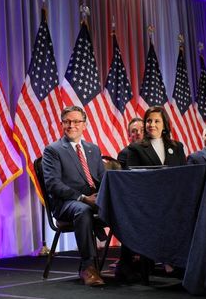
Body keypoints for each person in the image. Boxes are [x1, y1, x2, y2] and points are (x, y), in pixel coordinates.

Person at [116, 106, 187, 283]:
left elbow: (185, 175)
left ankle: (178, 262)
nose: (152, 124)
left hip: (174, 200)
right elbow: (134, 179)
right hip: (148, 202)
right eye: (149, 121)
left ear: (164, 125)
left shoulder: (177, 147)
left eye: (156, 121)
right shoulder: (136, 148)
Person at [42, 106, 106, 286]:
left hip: (95, 200)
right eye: (67, 121)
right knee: (83, 209)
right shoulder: (53, 150)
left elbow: (103, 179)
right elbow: (53, 184)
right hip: (67, 204)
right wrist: (83, 198)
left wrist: (103, 197)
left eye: (76, 121)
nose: (71, 125)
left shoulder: (93, 149)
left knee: (124, 206)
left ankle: (130, 260)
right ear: (62, 124)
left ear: (84, 125)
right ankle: (88, 266)